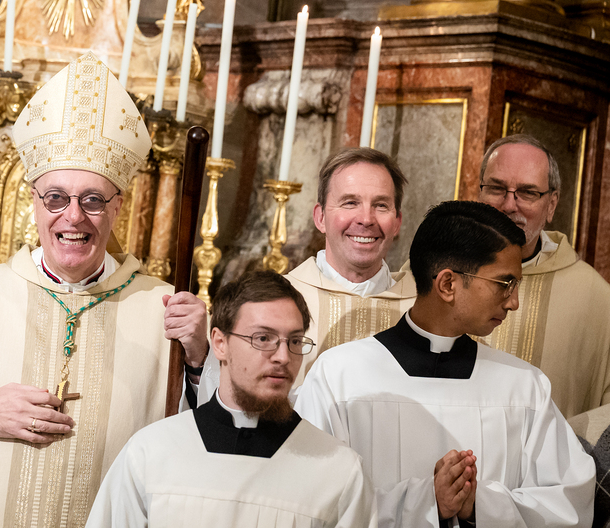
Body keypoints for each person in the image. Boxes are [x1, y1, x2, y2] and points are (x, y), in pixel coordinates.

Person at [0, 53, 209, 527]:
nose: (73, 216)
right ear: (33, 202)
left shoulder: (164, 310)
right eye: (55, 198)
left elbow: (202, 443)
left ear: (118, 207)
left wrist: (198, 360)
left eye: (92, 199)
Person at [296, 200, 596, 527]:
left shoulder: (523, 387)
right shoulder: (339, 377)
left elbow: (569, 503)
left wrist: (478, 505)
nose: (514, 302)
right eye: (504, 283)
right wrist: (426, 502)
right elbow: (308, 500)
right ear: (448, 284)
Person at [86, 270, 376, 528]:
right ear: (220, 343)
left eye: (295, 341)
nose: (283, 357)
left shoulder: (339, 471)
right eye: (263, 338)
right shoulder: (150, 453)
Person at [200, 148, 416, 401]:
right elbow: (227, 400)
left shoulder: (421, 312)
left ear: (397, 222)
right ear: (320, 217)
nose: (366, 219)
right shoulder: (267, 305)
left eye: (381, 205)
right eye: (350, 203)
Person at [476, 134, 610, 418]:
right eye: (496, 188)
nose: (509, 205)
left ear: (551, 205)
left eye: (527, 192)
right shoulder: (433, 270)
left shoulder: (595, 297)